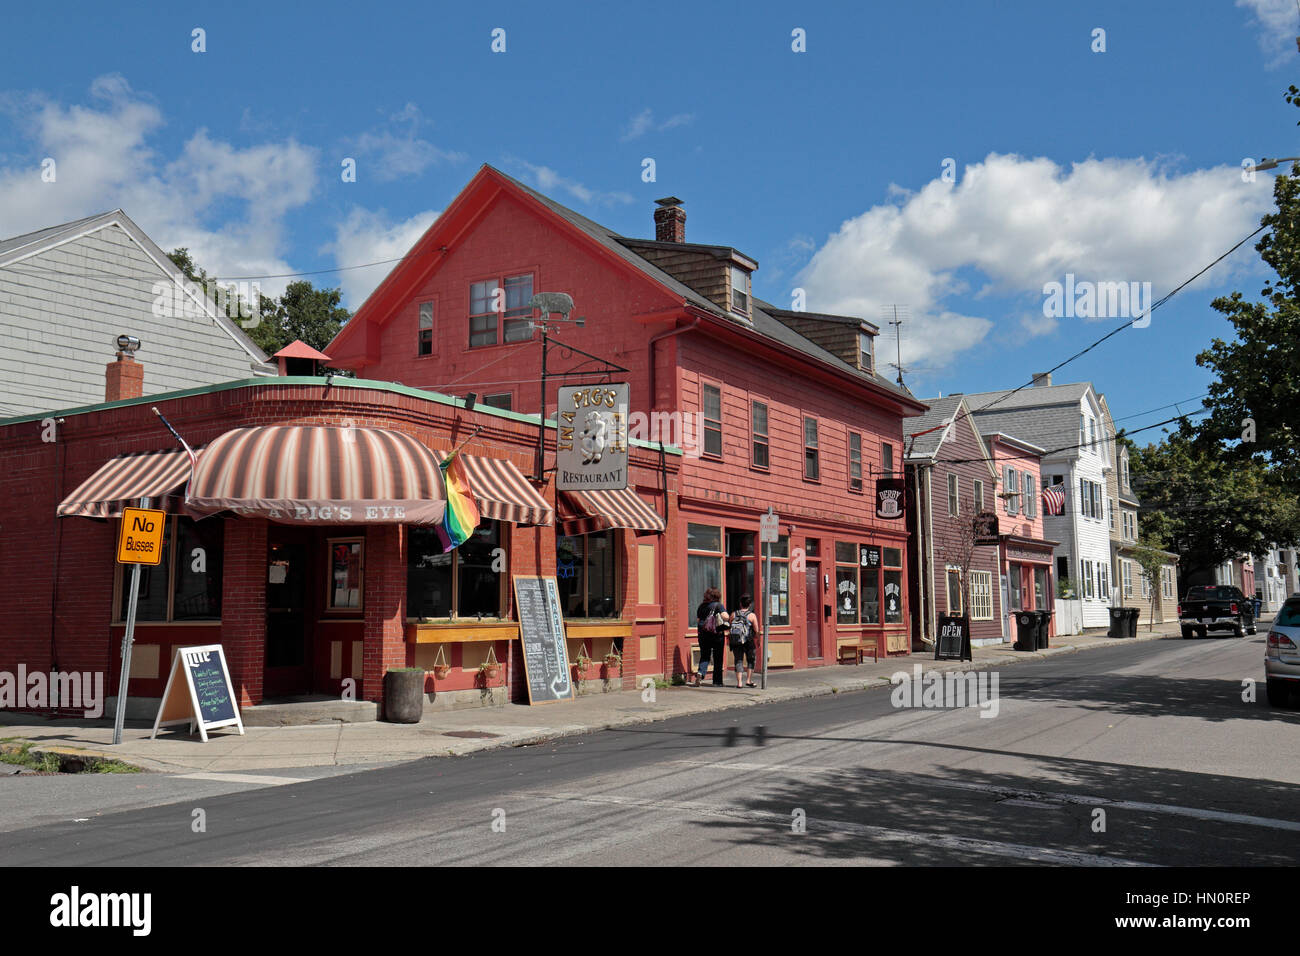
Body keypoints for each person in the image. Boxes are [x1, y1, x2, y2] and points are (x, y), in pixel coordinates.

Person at [693, 587, 729, 686]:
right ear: (717, 596)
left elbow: (698, 620)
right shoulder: (718, 605)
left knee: (705, 656)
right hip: (716, 635)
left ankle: (701, 673)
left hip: (703, 635)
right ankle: (717, 682)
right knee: (718, 658)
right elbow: (726, 616)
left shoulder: (701, 606)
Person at [728, 593, 759, 688]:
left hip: (736, 640)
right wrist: (757, 640)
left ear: (740, 604)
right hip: (748, 640)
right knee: (751, 660)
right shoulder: (752, 615)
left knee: (738, 660)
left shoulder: (734, 614)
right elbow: (756, 630)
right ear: (749, 605)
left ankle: (739, 683)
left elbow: (729, 626)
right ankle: (748, 680)